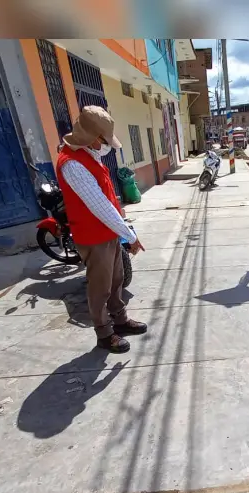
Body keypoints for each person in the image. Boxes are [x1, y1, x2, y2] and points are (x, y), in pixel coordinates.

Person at [56, 106, 147, 354]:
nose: (106, 145)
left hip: (108, 233)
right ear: (91, 137)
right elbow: (99, 207)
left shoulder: (90, 156)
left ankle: (120, 321)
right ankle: (105, 334)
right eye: (103, 140)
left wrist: (122, 224)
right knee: (100, 287)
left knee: (117, 280)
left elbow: (107, 197)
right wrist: (130, 235)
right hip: (94, 237)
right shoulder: (72, 164)